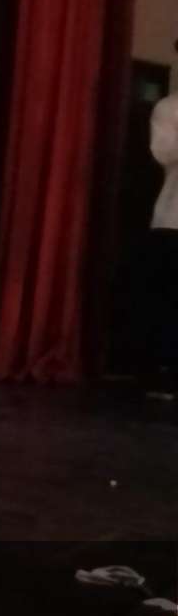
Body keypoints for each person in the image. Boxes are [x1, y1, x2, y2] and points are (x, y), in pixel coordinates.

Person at [140, 87, 178, 400]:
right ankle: (163, 374)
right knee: (168, 303)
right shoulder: (169, 108)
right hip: (174, 218)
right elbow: (163, 152)